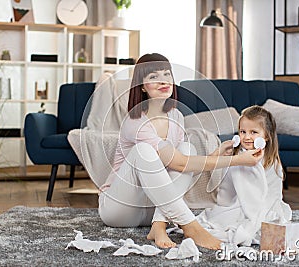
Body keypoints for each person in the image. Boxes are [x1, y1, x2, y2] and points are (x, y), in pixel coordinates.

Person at [98, 53, 264, 250]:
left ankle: (158, 225)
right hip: (119, 208)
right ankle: (191, 227)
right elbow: (179, 163)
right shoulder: (135, 123)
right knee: (143, 150)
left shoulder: (176, 116)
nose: (163, 81)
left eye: (167, 74)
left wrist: (215, 155)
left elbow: (182, 163)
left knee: (187, 148)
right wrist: (238, 161)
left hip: (153, 207)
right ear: (141, 86)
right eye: (153, 77)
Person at [197, 105, 292, 246]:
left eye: (253, 132)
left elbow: (269, 192)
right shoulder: (238, 156)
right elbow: (229, 186)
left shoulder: (271, 160)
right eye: (243, 132)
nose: (247, 137)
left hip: (262, 203)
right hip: (236, 201)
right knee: (221, 215)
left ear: (266, 136)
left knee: (252, 218)